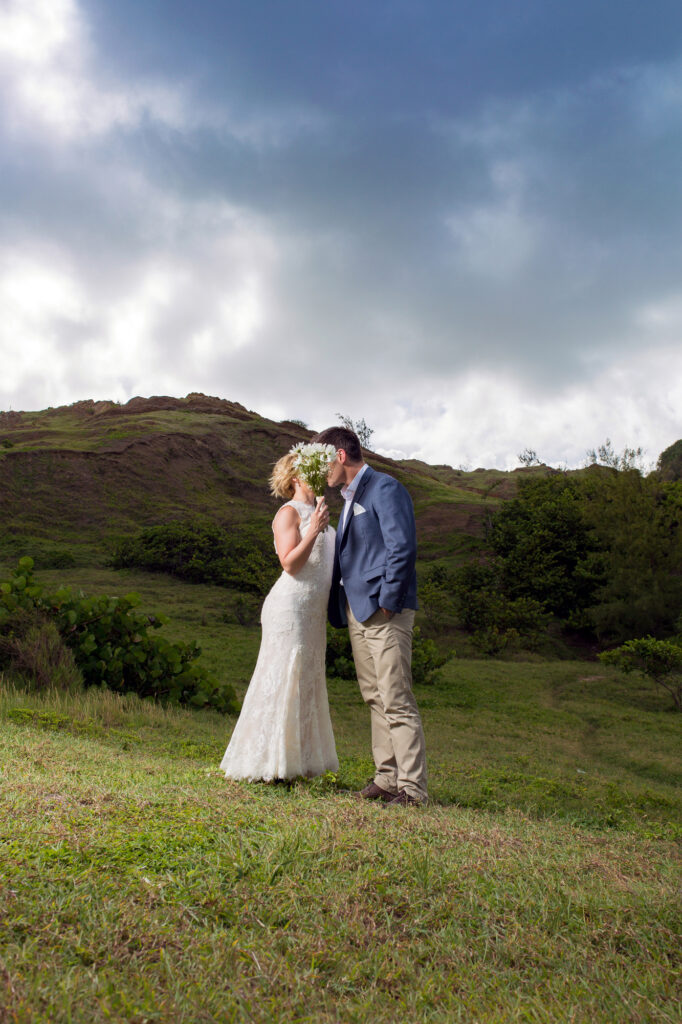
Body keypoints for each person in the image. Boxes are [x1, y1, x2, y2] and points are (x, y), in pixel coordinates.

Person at [312, 426, 427, 806]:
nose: (321, 471)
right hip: (358, 612)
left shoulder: (385, 488)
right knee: (374, 697)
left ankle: (413, 788)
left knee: (396, 697)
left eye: (323, 460)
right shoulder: (349, 499)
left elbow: (402, 547)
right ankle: (387, 778)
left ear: (340, 456)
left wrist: (389, 601)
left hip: (384, 610)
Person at [220, 451, 338, 781]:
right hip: (290, 607)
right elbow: (289, 563)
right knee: (286, 675)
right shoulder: (289, 513)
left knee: (307, 678)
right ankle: (270, 763)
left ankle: (299, 763)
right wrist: (313, 529)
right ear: (296, 478)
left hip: (314, 612)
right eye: (313, 470)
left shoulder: (321, 513)